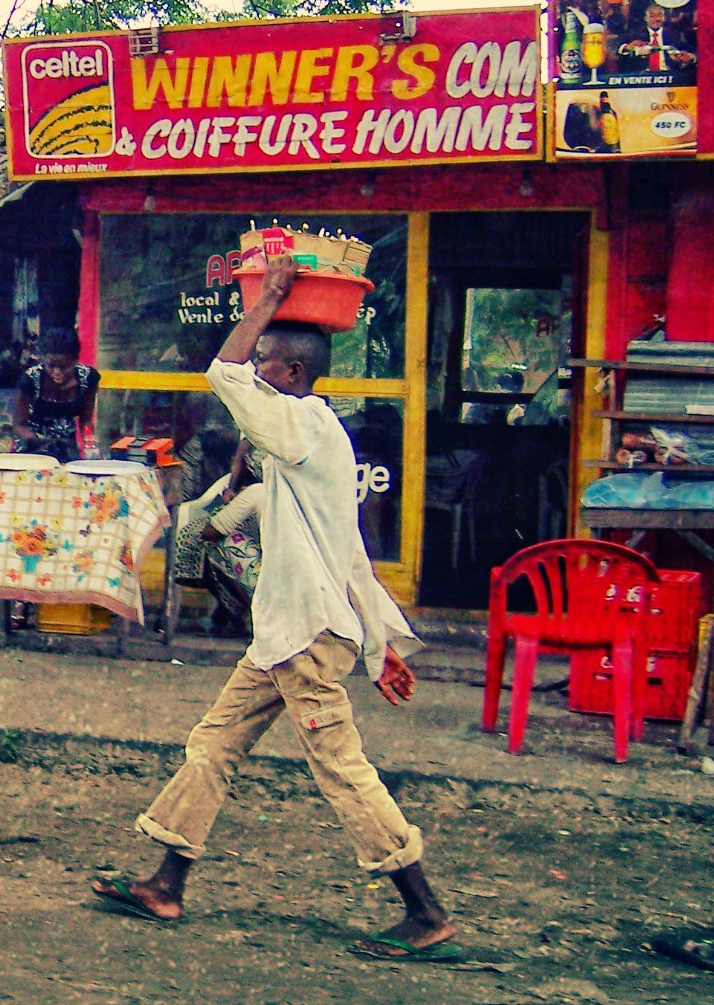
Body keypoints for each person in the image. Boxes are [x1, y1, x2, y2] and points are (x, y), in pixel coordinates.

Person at [90, 255, 458, 963]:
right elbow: (347, 552)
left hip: (304, 637)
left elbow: (221, 375)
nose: (253, 369)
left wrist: (274, 296)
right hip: (289, 633)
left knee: (340, 768)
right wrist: (379, 646)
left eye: (266, 361)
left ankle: (426, 910)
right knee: (214, 743)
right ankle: (167, 882)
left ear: (289, 375)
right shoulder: (299, 441)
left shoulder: (308, 427)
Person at [170, 439, 265, 638]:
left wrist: (228, 506)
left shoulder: (254, 493)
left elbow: (212, 532)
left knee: (215, 546)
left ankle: (247, 615)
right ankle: (229, 615)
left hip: (272, 577)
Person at [13, 327, 99, 461]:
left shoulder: (88, 378)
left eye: (64, 366)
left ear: (75, 360)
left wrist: (90, 445)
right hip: (31, 451)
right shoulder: (30, 379)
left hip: (68, 449)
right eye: (51, 366)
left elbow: (86, 420)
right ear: (43, 360)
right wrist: (40, 441)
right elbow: (19, 425)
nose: (57, 372)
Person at [618, 2, 696, 75]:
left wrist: (690, 57)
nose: (657, 19)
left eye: (660, 15)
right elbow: (615, 47)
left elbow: (693, 52)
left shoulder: (674, 34)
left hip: (668, 74)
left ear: (664, 17)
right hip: (642, 75)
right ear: (645, 18)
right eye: (652, 16)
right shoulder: (635, 34)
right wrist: (626, 48)